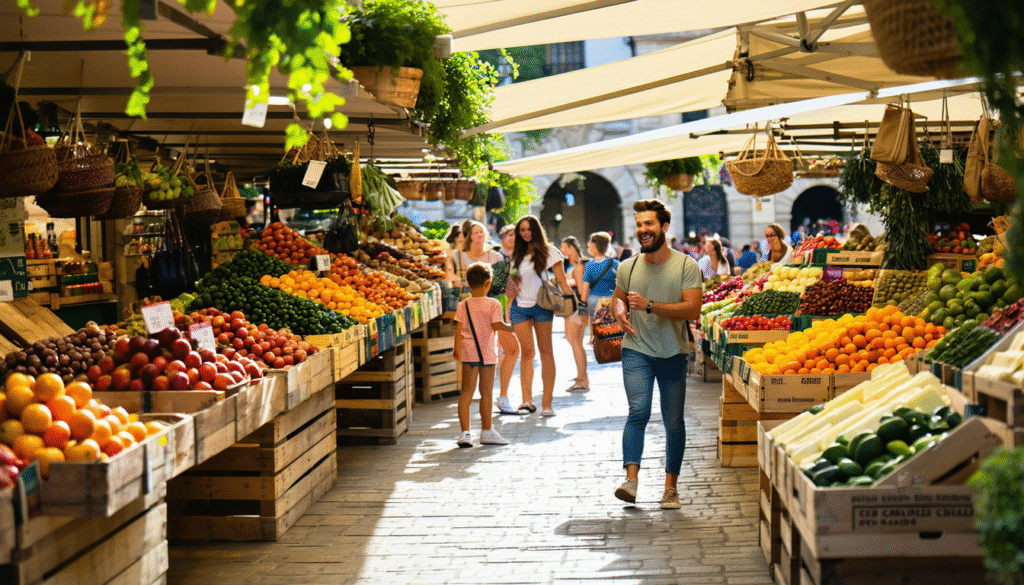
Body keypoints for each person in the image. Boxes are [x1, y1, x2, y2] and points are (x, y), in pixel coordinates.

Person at [611, 199, 702, 509]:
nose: (642, 230)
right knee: (637, 412)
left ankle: (670, 489)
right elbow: (617, 300)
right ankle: (631, 481)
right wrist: (621, 311)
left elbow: (692, 308)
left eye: (648, 224)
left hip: (674, 352)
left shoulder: (686, 266)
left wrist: (650, 305)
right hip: (636, 349)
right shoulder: (628, 266)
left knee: (673, 421)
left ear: (664, 227)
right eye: (639, 225)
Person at [507, 215, 573, 417]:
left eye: (529, 229)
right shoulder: (516, 254)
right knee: (527, 353)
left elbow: (562, 281)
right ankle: (526, 401)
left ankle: (547, 403)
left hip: (542, 306)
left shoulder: (549, 252)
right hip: (519, 307)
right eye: (522, 230)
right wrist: (508, 303)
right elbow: (513, 282)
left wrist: (574, 307)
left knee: (546, 352)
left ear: (536, 230)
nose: (526, 233)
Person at [457, 220, 521, 415]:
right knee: (483, 355)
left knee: (510, 349)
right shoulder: (459, 256)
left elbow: (505, 286)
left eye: (482, 232)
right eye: (476, 232)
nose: (480, 235)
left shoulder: (496, 257)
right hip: (475, 311)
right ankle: (489, 401)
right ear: (468, 236)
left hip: (491, 309)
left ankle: (501, 397)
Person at [453, 262, 514, 447]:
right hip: (487, 352)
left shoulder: (463, 305)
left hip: (468, 352)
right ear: (488, 283)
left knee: (466, 393)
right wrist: (510, 328)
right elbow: (496, 325)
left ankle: (465, 433)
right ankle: (487, 431)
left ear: (469, 283)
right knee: (486, 392)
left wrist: (457, 349)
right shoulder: (493, 303)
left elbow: (458, 329)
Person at [560, 236, 590, 393]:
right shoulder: (574, 266)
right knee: (575, 341)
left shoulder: (579, 267)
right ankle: (582, 377)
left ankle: (582, 379)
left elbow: (581, 293)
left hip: (576, 308)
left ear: (571, 247)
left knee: (575, 342)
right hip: (572, 308)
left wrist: (584, 313)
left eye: (564, 247)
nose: (562, 250)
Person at [579, 230, 618, 346]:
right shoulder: (615, 263)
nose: (588, 247)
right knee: (611, 323)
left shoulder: (590, 265)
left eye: (589, 245)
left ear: (595, 246)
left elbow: (585, 288)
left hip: (594, 299)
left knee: (594, 320)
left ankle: (593, 338)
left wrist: (582, 305)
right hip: (610, 298)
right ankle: (612, 338)